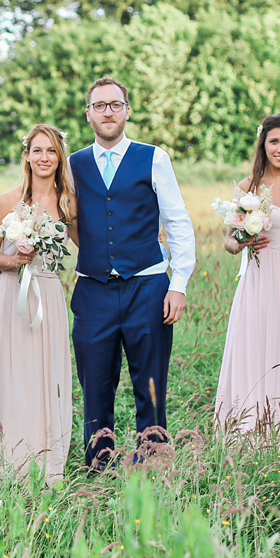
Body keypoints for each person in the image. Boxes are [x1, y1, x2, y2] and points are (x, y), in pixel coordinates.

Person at [70, 77, 196, 469]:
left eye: (115, 104)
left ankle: (154, 461)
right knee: (95, 383)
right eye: (99, 105)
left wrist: (179, 284)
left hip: (148, 285)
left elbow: (177, 222)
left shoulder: (153, 157)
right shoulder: (72, 164)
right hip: (93, 291)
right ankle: (98, 464)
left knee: (151, 382)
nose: (108, 111)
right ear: (88, 113)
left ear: (127, 110)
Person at [0, 123, 75, 486]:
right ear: (27, 155)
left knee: (44, 377)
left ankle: (43, 461)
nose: (44, 157)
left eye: (51, 151)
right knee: (7, 375)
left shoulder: (68, 203)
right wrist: (14, 259)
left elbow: (93, 245)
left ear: (59, 156)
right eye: (37, 150)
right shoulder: (7, 201)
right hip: (10, 296)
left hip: (47, 295)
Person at [214, 114, 280, 434]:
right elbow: (229, 241)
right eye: (274, 141)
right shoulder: (249, 187)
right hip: (260, 278)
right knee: (258, 347)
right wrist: (243, 241)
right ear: (263, 144)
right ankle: (251, 426)